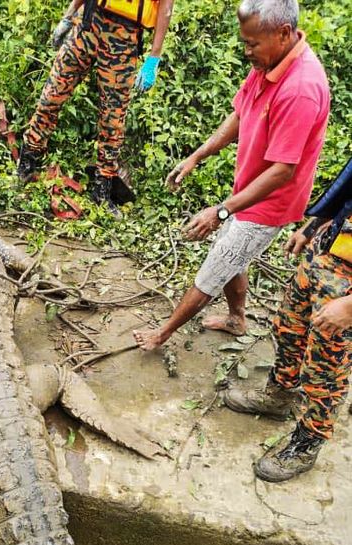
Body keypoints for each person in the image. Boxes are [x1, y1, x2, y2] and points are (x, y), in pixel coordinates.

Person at [134, 0, 330, 351]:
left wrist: (221, 210)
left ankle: (161, 335)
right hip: (249, 186)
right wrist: (197, 155)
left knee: (220, 260)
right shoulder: (268, 61)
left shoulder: (300, 88)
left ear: (283, 33)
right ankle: (237, 319)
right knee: (232, 253)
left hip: (270, 199)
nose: (246, 52)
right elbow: (240, 115)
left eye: (252, 44)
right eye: (244, 42)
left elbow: (282, 172)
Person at [223, 158, 352, 482]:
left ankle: (307, 442)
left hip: (348, 288)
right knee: (288, 329)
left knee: (326, 368)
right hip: (329, 249)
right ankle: (280, 394)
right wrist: (312, 228)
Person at [17, 0, 175, 212]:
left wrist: (153, 58)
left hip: (124, 37)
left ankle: (102, 190)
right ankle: (27, 164)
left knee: (113, 120)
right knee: (51, 95)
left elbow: (166, 8)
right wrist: (69, 15)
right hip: (88, 22)